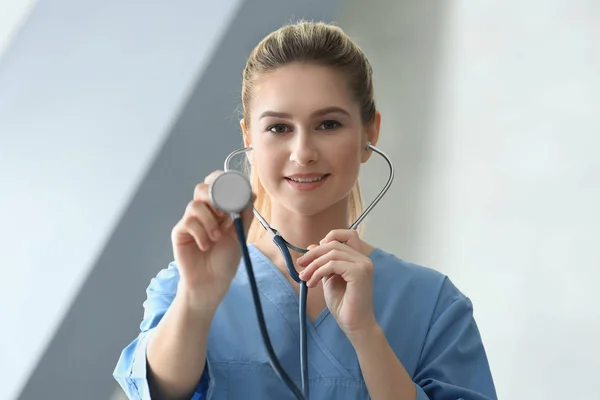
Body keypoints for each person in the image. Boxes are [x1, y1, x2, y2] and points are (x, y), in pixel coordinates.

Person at [113, 20, 498, 400]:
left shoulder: (433, 306)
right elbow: (156, 393)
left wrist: (365, 334)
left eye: (328, 124)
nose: (303, 153)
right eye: (279, 128)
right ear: (249, 138)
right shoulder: (185, 283)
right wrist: (197, 301)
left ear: (370, 133)